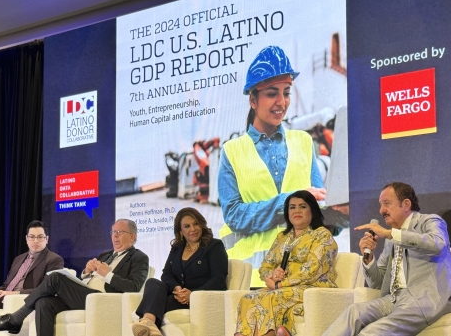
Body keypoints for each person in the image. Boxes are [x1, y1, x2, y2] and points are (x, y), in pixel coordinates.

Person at [218, 45, 326, 286]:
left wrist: (336, 213)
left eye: (286, 92)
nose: (281, 101)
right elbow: (234, 215)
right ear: (253, 100)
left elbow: (316, 207)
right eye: (271, 93)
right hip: (249, 271)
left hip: (300, 265)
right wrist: (288, 202)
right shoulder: (231, 151)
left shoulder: (304, 142)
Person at [323, 182, 451, 336]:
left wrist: (390, 234)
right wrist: (368, 259)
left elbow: (438, 244)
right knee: (353, 312)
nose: (381, 210)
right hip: (394, 299)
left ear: (406, 204)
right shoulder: (392, 238)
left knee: (371, 333)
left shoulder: (429, 221)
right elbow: (377, 283)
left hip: (426, 299)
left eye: (387, 204)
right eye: (381, 205)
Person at [0, 219, 149, 335]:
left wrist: (108, 274)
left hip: (103, 301)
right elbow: (85, 281)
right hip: (85, 295)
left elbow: (133, 287)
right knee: (43, 302)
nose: (115, 236)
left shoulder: (139, 257)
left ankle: (15, 318)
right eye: (113, 232)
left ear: (132, 236)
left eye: (120, 232)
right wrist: (86, 273)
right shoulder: (105, 254)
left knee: (55, 278)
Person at [235, 190, 338, 336]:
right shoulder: (282, 237)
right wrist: (272, 276)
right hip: (282, 287)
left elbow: (313, 269)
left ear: (313, 211)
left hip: (312, 288)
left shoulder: (322, 235)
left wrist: (280, 284)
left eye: (302, 206)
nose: (297, 210)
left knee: (271, 297)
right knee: (247, 298)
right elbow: (265, 266)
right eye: (292, 207)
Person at [131, 207, 228, 336]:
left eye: (196, 224)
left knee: (154, 304)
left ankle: (147, 322)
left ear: (202, 225)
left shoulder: (214, 246)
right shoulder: (177, 248)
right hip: (179, 296)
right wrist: (176, 288)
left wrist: (192, 294)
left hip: (202, 298)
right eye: (187, 226)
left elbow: (218, 279)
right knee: (153, 282)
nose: (193, 229)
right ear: (181, 231)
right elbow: (166, 275)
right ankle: (150, 325)